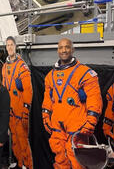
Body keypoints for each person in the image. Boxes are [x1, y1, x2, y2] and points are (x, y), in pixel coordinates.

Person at [42, 38, 102, 169]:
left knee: (77, 161)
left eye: (67, 47)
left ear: (72, 49)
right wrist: (45, 116)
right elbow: (47, 100)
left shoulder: (85, 73)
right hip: (57, 125)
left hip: (77, 126)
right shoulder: (50, 76)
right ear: (57, 50)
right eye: (61, 48)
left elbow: (94, 98)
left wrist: (91, 121)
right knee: (60, 158)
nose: (64, 50)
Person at [2, 36, 33, 169]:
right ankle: (20, 164)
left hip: (20, 109)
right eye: (7, 45)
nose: (9, 47)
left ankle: (28, 165)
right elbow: (4, 88)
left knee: (22, 140)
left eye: (11, 45)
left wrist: (26, 108)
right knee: (14, 140)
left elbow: (28, 90)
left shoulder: (22, 66)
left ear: (15, 47)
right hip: (10, 110)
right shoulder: (4, 67)